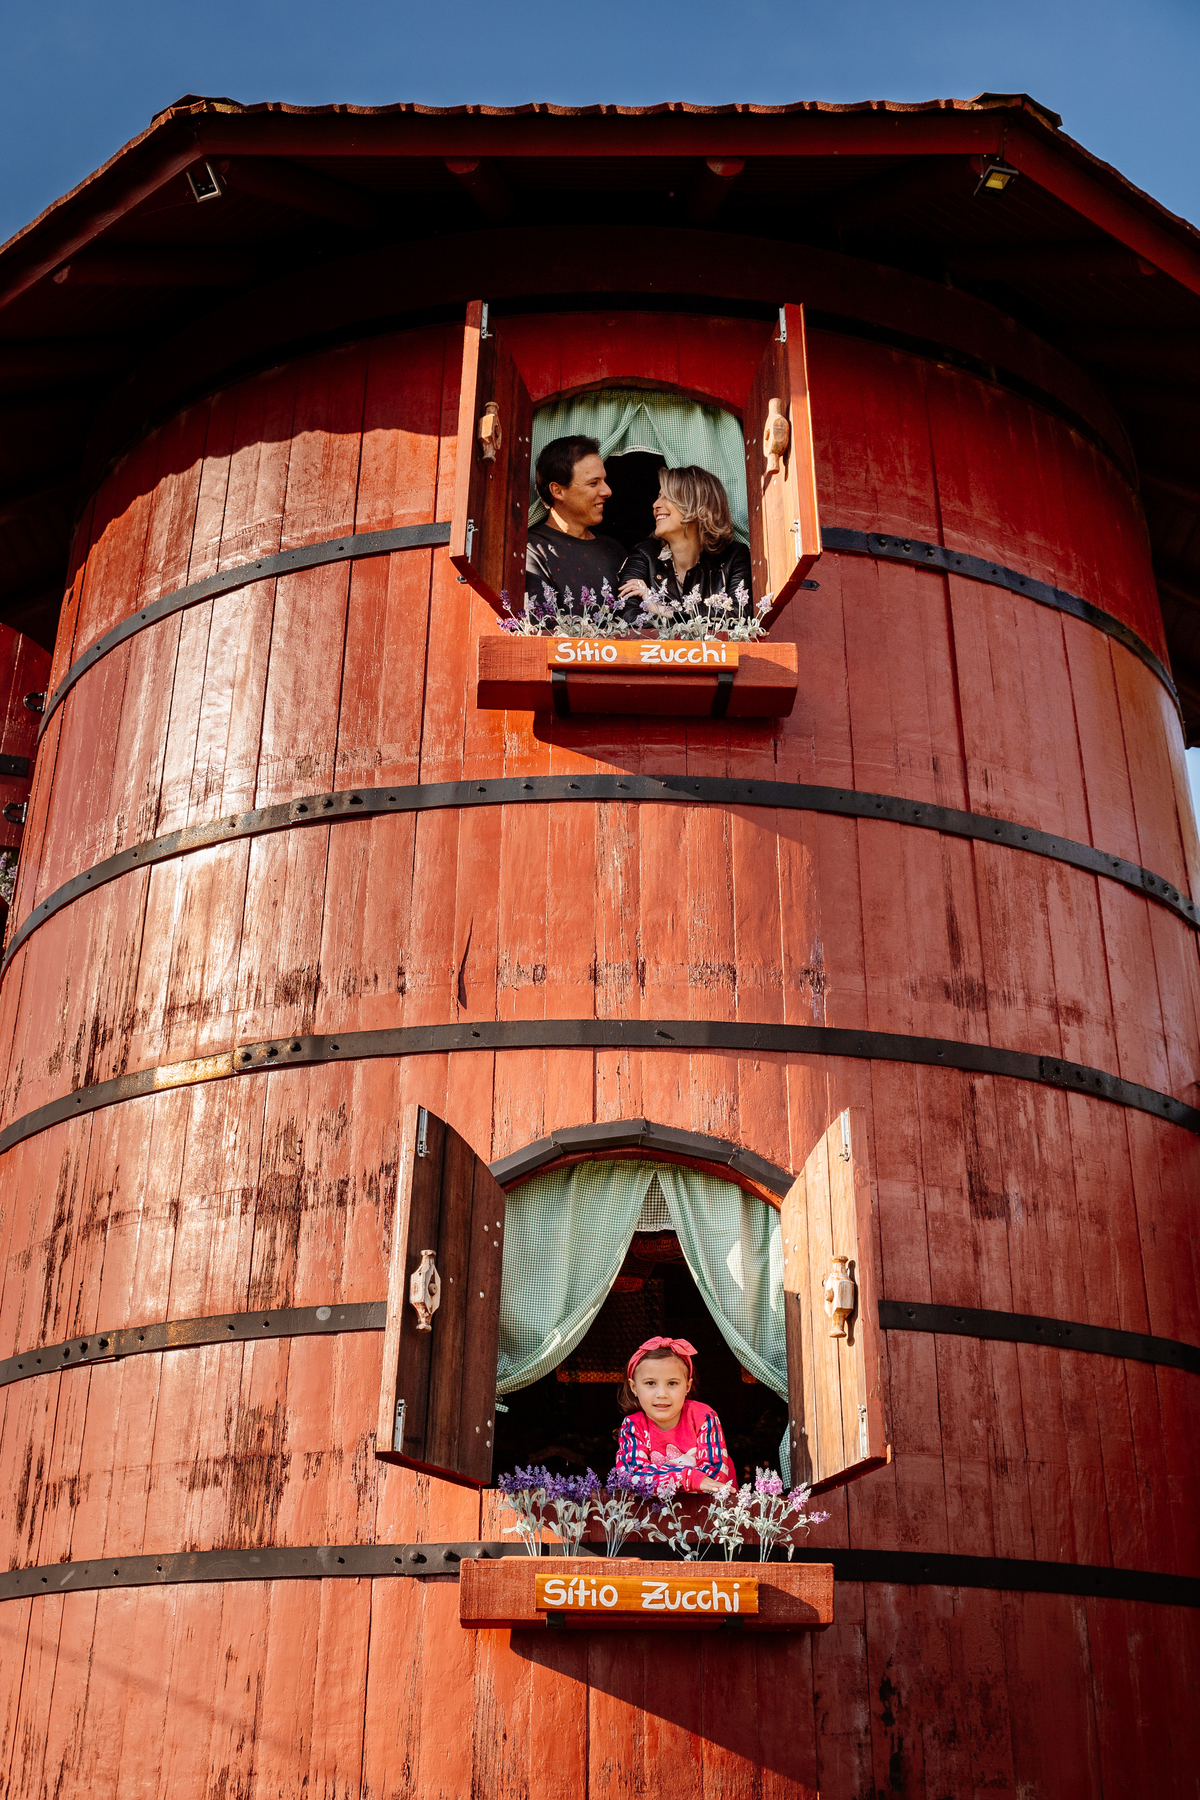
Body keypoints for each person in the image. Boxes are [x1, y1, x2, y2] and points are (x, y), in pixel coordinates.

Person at [618, 465, 752, 620]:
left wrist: (661, 610)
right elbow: (627, 616)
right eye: (658, 496)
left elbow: (738, 616)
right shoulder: (644, 555)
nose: (655, 505)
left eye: (667, 496)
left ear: (698, 507)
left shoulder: (734, 556)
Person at [615, 1335, 736, 1494]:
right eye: (650, 1383)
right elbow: (631, 1478)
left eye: (672, 1383)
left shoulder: (703, 1417)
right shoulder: (632, 1426)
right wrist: (689, 1479)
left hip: (709, 1512)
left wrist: (658, 1482)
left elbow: (715, 1479)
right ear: (634, 1387)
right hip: (656, 1514)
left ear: (687, 1386)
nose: (662, 1394)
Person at [525, 435, 628, 619]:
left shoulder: (614, 550)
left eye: (604, 481)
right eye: (593, 483)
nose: (607, 491)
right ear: (557, 491)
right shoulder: (532, 550)